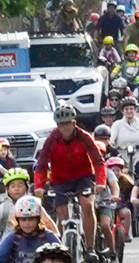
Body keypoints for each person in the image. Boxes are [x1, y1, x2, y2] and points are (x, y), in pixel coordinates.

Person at [32, 103, 108, 252]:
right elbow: (41, 165)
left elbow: (98, 162)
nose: (64, 128)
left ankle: (90, 247)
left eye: (67, 124)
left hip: (83, 177)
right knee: (62, 214)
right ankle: (63, 246)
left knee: (86, 204)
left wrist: (100, 182)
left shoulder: (84, 137)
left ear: (74, 123)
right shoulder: (51, 139)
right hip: (60, 180)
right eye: (61, 125)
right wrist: (39, 187)